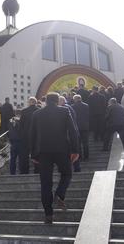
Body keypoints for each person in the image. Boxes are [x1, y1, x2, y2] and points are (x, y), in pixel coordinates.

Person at [30, 92, 79, 224]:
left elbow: (32, 135)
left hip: (43, 152)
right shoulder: (64, 111)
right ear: (57, 101)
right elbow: (73, 131)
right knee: (67, 173)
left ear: (46, 101)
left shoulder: (37, 114)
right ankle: (60, 194)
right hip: (62, 150)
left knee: (45, 183)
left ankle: (48, 215)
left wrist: (33, 154)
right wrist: (75, 150)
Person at [19, 97, 39, 174]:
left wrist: (21, 135)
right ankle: (37, 170)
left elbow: (21, 125)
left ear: (29, 102)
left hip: (25, 135)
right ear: (36, 102)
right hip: (37, 135)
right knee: (36, 153)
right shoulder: (39, 110)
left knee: (24, 154)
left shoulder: (24, 111)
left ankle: (24, 171)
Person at [72, 95, 90, 161]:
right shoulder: (86, 105)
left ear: (75, 99)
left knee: (78, 143)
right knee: (85, 142)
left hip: (76, 126)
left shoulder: (72, 107)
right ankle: (86, 156)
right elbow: (88, 115)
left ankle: (79, 156)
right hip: (85, 126)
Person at [8, 110, 21, 175]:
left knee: (13, 158)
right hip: (20, 141)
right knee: (21, 158)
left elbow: (9, 130)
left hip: (12, 141)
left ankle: (12, 173)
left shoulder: (10, 120)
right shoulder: (20, 120)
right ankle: (21, 172)